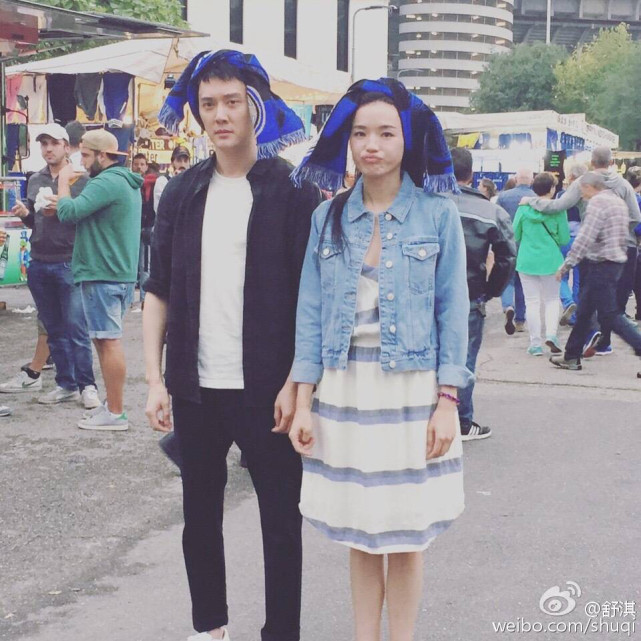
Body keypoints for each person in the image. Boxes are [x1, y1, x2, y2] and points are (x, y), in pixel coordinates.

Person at [143, 49, 318, 641]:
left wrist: (298, 386)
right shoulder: (182, 191)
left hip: (268, 387)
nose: (220, 115)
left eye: (232, 102)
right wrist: (154, 379)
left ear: (255, 108)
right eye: (208, 104)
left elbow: (311, 298)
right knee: (198, 518)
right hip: (195, 386)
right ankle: (209, 627)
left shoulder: (292, 190)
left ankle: (281, 632)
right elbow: (159, 290)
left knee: (281, 523)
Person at [289, 78, 470, 641]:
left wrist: (448, 401)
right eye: (361, 133)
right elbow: (310, 311)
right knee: (360, 534)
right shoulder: (328, 217)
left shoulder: (437, 214)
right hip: (344, 389)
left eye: (386, 133)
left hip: (412, 390)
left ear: (406, 139)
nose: (372, 145)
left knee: (407, 536)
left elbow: (454, 311)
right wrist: (302, 401)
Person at [46, 129, 142, 430]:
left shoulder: (106, 182)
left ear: (102, 155)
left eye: (86, 155)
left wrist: (63, 182)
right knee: (103, 340)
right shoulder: (122, 181)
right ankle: (111, 406)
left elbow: (69, 213)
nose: (83, 162)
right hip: (115, 273)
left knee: (108, 342)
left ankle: (115, 412)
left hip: (103, 272)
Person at [8, 124, 99, 408]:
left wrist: (62, 208)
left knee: (77, 329)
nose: (48, 149)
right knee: (53, 329)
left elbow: (87, 218)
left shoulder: (81, 179)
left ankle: (88, 386)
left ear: (66, 147)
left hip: (70, 261)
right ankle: (66, 384)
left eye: (53, 143)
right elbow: (36, 221)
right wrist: (26, 214)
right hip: (39, 261)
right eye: (43, 144)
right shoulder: (35, 179)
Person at [524, 147, 641, 355]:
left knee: (604, 309)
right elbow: (636, 216)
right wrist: (620, 235)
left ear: (591, 163)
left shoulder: (588, 189)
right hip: (624, 250)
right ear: (611, 162)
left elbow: (559, 207)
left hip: (597, 257)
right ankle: (579, 352)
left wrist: (531, 201)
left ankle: (621, 342)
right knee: (595, 305)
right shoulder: (623, 185)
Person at [449, 147, 516, 440]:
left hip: (425, 294)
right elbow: (506, 258)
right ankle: (462, 421)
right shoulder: (491, 212)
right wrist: (490, 291)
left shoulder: (424, 203)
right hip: (470, 293)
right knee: (464, 359)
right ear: (472, 175)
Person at [550, 172, 641, 371]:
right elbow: (630, 225)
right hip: (615, 262)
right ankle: (571, 355)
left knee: (610, 315)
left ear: (589, 187)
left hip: (601, 264)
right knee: (584, 311)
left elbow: (585, 237)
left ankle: (638, 345)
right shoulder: (618, 202)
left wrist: (567, 264)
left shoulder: (597, 203)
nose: (581, 196)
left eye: (581, 190)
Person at [513, 172, 569, 356]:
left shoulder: (523, 208)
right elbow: (564, 239)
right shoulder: (558, 210)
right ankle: (551, 335)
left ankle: (535, 343)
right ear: (552, 189)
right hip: (551, 261)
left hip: (527, 260)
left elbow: (515, 234)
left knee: (532, 302)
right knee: (552, 300)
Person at [497, 167, 535, 334]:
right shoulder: (536, 198)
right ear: (531, 180)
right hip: (527, 245)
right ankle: (520, 321)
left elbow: (496, 219)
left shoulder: (503, 197)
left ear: (516, 179)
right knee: (523, 283)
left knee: (507, 280)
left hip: (507, 243)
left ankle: (508, 306)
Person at [558, 164, 588, 326]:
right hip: (581, 239)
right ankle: (576, 316)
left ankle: (568, 302)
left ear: (570, 177)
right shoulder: (587, 197)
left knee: (560, 275)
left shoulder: (561, 195)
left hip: (563, 239)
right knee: (578, 279)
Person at [153, 145, 191, 213]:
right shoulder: (162, 181)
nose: (182, 164)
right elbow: (160, 209)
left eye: (185, 161)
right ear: (172, 162)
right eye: (179, 161)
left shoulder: (192, 182)